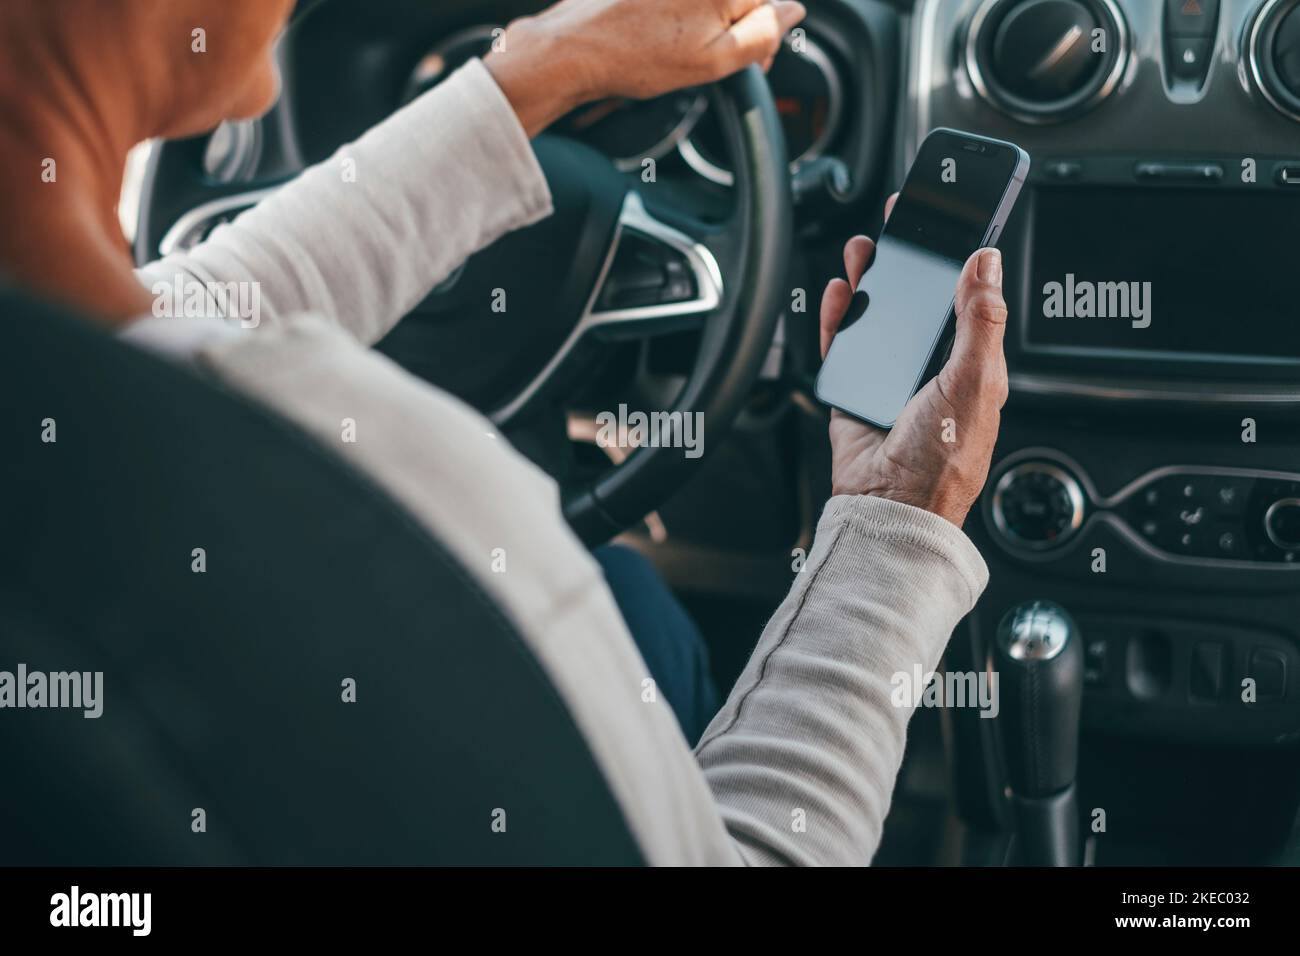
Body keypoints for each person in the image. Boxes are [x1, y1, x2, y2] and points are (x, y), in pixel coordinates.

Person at [0, 0, 1009, 865]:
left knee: (632, 597)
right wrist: (895, 519)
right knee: (631, 609)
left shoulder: (68, 377)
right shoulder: (386, 488)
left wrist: (540, 71)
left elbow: (168, 315)